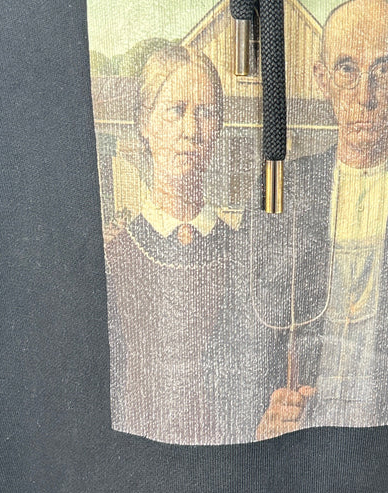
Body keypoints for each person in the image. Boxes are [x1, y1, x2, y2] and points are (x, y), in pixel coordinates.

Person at [256, 0, 388, 438]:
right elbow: (245, 337)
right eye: (347, 69)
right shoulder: (285, 192)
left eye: (383, 70)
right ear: (322, 79)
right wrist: (263, 417)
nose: (365, 97)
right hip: (300, 432)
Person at [104, 43, 271, 444]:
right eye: (176, 110)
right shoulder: (114, 257)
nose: (191, 130)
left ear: (219, 130)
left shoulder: (244, 253)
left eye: (206, 113)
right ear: (145, 123)